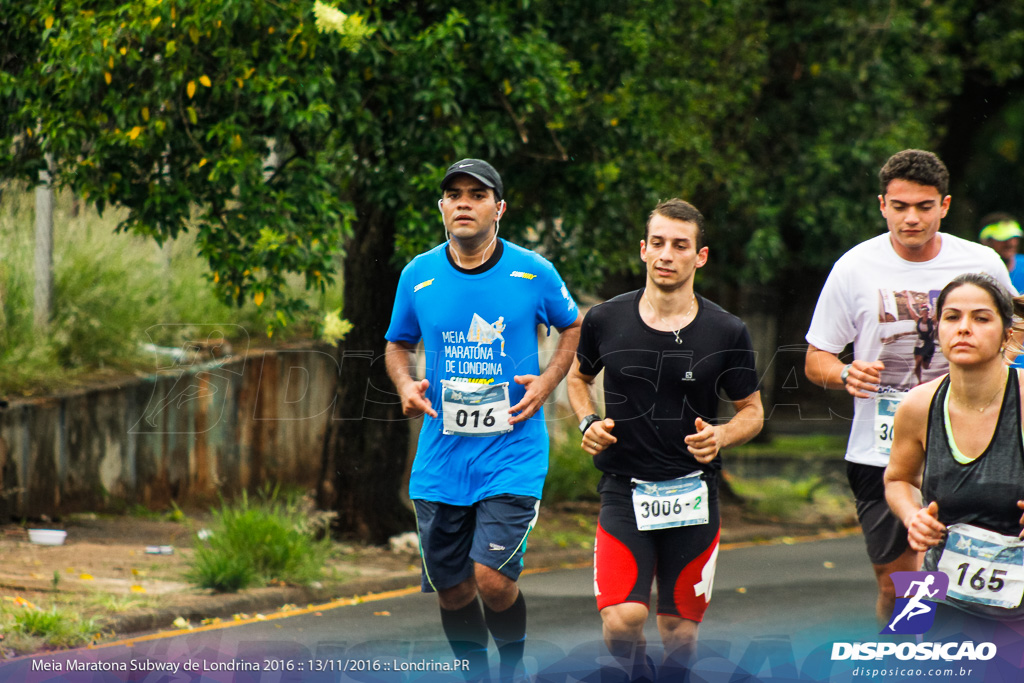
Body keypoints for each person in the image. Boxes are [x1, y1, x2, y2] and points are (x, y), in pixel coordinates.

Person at [385, 159, 582, 682]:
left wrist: (547, 381)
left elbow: (572, 325)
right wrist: (405, 384)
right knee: (452, 589)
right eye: (454, 194)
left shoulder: (533, 271)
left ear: (499, 207)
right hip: (441, 458)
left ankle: (511, 670)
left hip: (512, 453)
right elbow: (397, 343)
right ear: (443, 207)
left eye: (477, 194)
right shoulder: (418, 274)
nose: (464, 202)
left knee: (491, 580)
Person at [804, 149, 1015, 626]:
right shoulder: (854, 267)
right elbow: (816, 358)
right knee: (902, 587)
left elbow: (1015, 335)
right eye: (900, 206)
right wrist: (843, 374)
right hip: (881, 451)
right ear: (882, 205)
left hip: (971, 445)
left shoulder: (981, 263)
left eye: (924, 206)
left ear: (944, 205)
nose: (912, 218)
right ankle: (897, 658)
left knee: (965, 584)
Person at [567, 199, 764, 680]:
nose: (666, 255)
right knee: (622, 620)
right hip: (623, 489)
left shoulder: (726, 330)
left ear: (700, 257)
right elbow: (577, 378)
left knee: (678, 633)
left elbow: (753, 413)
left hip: (692, 494)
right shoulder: (605, 319)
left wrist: (721, 435)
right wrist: (587, 421)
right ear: (643, 249)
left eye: (680, 245)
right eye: (658, 243)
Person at [885, 273, 1024, 630]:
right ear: (937, 329)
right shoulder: (917, 406)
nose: (964, 328)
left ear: (1007, 335)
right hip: (939, 589)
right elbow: (898, 478)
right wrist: (913, 517)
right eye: (952, 317)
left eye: (981, 318)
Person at [979, 213, 1024, 294]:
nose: (1011, 244)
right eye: (1004, 238)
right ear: (986, 241)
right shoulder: (974, 272)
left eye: (1014, 238)